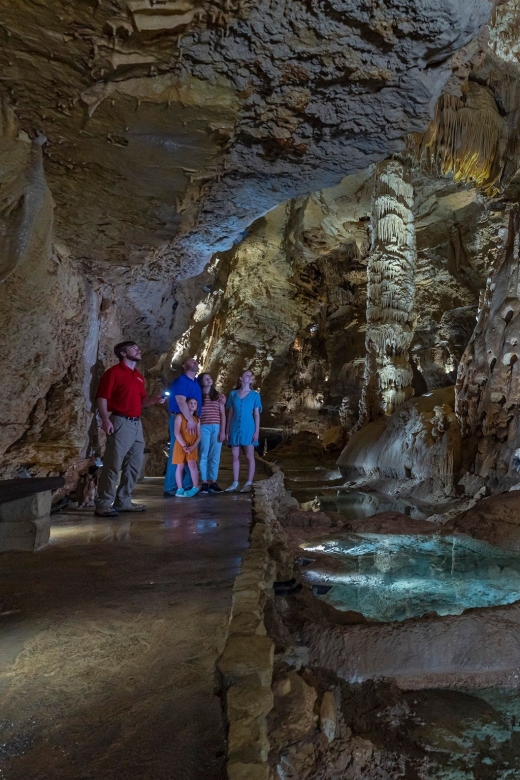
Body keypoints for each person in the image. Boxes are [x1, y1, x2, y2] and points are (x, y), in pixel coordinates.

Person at [95, 340, 165, 517]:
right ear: (123, 353)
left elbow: (142, 402)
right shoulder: (114, 373)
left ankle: (123, 500)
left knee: (134, 464)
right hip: (120, 421)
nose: (138, 350)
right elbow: (102, 397)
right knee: (113, 463)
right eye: (134, 348)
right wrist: (105, 419)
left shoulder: (138, 376)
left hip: (136, 423)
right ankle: (104, 503)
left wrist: (155, 401)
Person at [164, 357, 203, 496]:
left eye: (196, 362)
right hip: (182, 418)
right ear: (184, 366)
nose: (195, 363)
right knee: (178, 454)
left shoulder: (195, 382)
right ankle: (171, 486)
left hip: (192, 418)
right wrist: (189, 419)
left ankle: (187, 485)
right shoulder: (181, 381)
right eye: (191, 361)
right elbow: (181, 401)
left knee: (189, 453)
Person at [225, 370, 262, 493]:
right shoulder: (233, 394)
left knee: (249, 455)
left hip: (248, 427)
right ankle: (235, 482)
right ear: (241, 378)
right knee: (235, 456)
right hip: (235, 426)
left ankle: (249, 482)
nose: (250, 377)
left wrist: (256, 431)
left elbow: (257, 414)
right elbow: (230, 412)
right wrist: (227, 429)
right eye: (247, 375)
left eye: (251, 375)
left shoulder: (255, 395)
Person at [197, 373, 226, 494]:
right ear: (201, 382)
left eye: (210, 378)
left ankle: (213, 481)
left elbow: (222, 414)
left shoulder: (218, 396)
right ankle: (204, 482)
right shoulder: (198, 396)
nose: (209, 380)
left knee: (215, 455)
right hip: (203, 426)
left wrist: (223, 431)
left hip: (216, 427)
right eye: (205, 379)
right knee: (204, 453)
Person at [172, 398, 201, 497]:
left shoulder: (197, 420)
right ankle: (180, 488)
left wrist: (193, 446)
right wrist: (184, 445)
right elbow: (176, 432)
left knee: (192, 465)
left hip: (192, 445)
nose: (193, 405)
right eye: (190, 403)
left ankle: (195, 487)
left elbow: (199, 436)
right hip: (181, 444)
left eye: (195, 403)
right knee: (180, 466)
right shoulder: (180, 417)